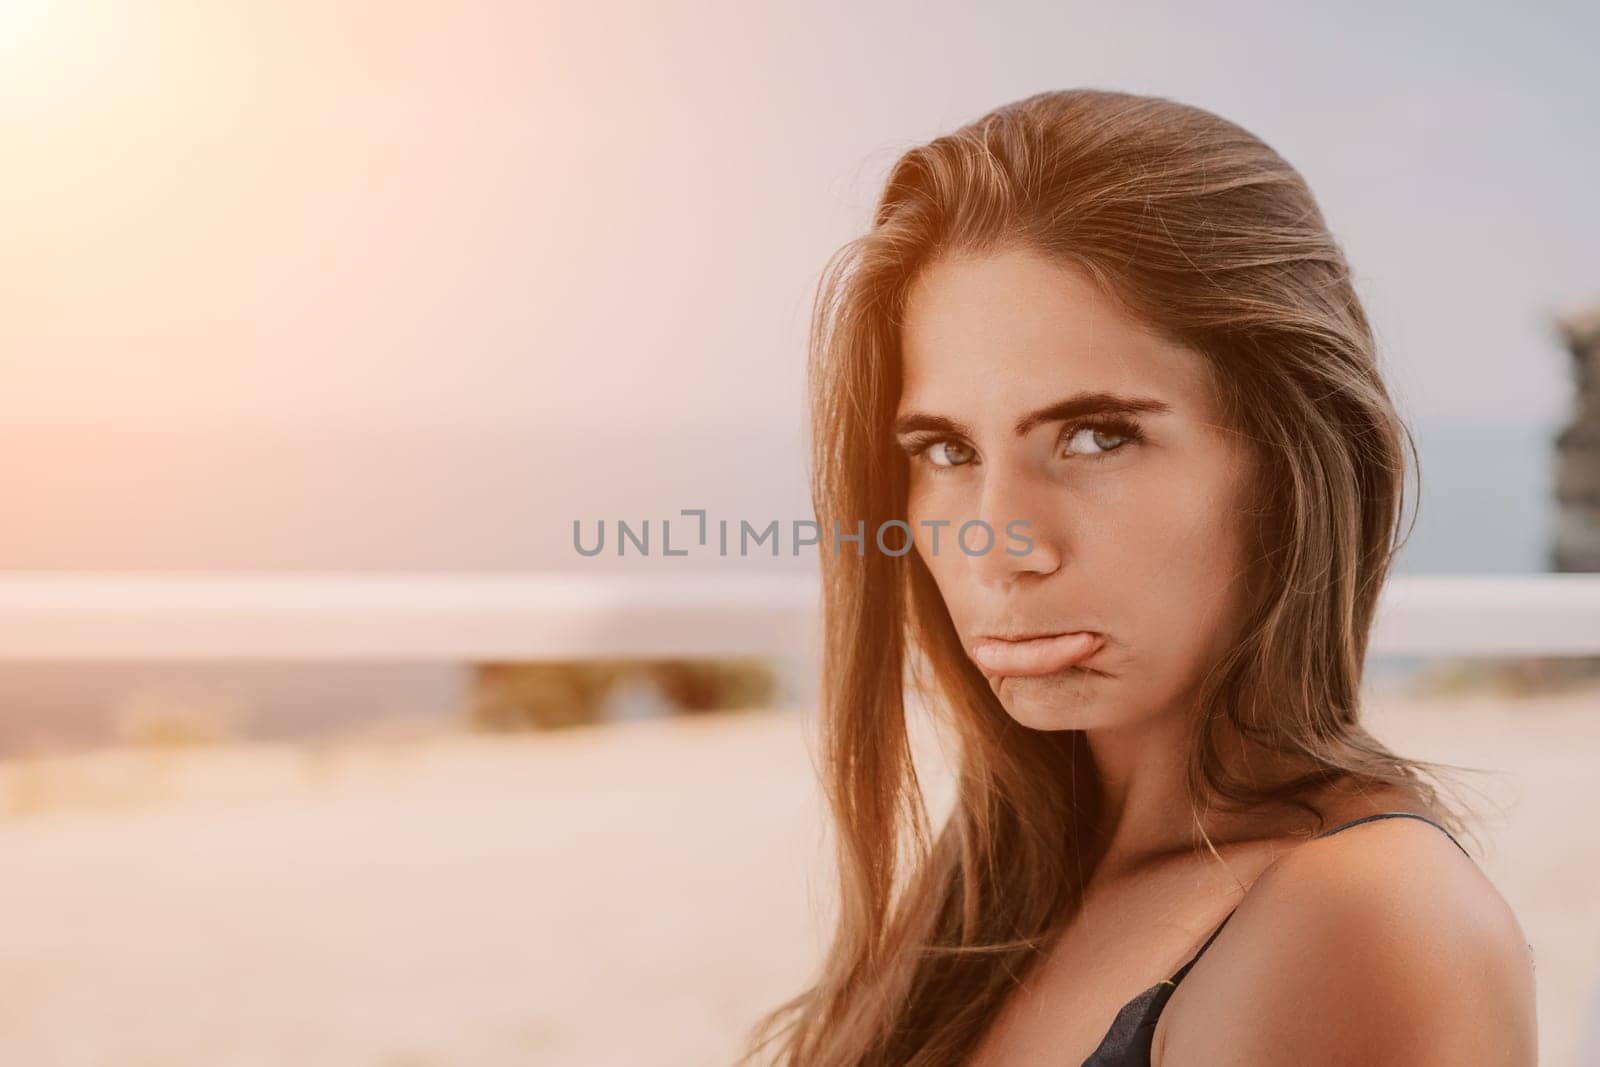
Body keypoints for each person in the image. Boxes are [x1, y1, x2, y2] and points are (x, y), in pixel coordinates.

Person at [738, 88, 1537, 1066]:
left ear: (1291, 460)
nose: (999, 542)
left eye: (1094, 435)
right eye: (945, 448)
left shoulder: (1362, 913)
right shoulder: (998, 889)